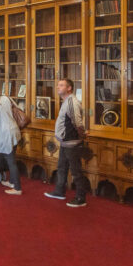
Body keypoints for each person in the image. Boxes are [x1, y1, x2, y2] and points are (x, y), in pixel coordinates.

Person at [44, 77, 88, 207]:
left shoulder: (71, 102)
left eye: (61, 85)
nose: (58, 87)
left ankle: (81, 198)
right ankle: (59, 191)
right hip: (65, 142)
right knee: (62, 167)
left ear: (69, 88)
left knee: (76, 171)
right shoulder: (66, 101)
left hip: (72, 143)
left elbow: (77, 122)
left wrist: (82, 134)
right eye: (58, 85)